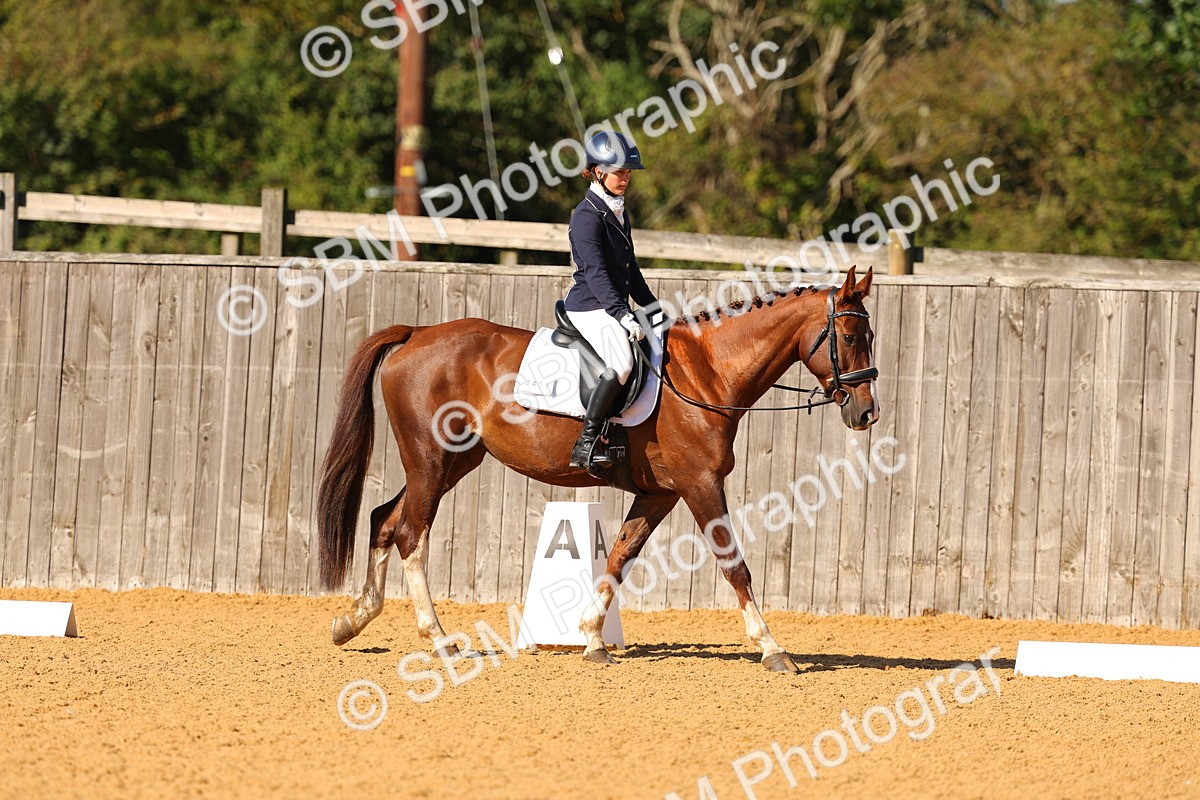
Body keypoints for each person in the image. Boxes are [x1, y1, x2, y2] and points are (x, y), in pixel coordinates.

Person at [563, 130, 658, 469]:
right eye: (620, 172)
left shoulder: (618, 211)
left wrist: (651, 307)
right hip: (590, 305)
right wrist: (621, 313)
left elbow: (630, 270)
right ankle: (586, 443)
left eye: (629, 173)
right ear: (598, 171)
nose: (626, 179)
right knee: (622, 363)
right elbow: (595, 271)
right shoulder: (586, 216)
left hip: (613, 304)